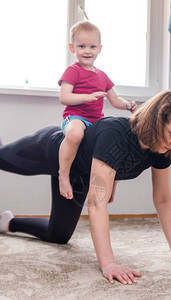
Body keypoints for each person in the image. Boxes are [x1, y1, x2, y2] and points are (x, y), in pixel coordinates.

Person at [0, 90, 171, 285]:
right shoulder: (116, 134)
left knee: (59, 236)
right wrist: (109, 264)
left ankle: (9, 223)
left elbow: (164, 200)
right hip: (53, 150)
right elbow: (97, 203)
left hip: (79, 175)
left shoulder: (162, 149)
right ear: (155, 121)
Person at [58, 20, 137, 200]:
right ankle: (63, 175)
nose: (87, 51)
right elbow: (64, 97)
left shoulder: (102, 76)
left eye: (92, 46)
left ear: (99, 49)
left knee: (117, 140)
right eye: (82, 46)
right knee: (75, 135)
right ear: (72, 48)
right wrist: (86, 97)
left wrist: (127, 105)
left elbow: (115, 100)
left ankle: (111, 184)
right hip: (76, 117)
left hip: (96, 121)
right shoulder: (73, 71)